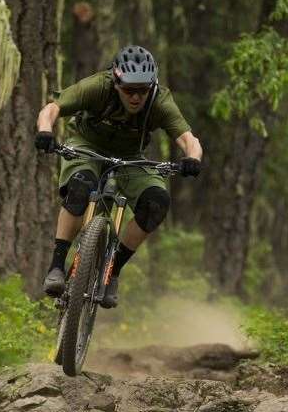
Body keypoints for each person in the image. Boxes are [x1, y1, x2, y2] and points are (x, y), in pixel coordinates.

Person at [35, 45, 203, 308]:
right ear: (116, 82)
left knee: (156, 202)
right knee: (81, 186)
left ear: (152, 86)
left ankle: (112, 270)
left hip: (131, 156)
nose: (136, 97)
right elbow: (51, 109)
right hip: (86, 146)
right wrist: (45, 131)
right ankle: (56, 266)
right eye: (129, 90)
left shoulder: (160, 101)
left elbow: (188, 139)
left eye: (143, 90)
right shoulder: (97, 87)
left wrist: (193, 159)